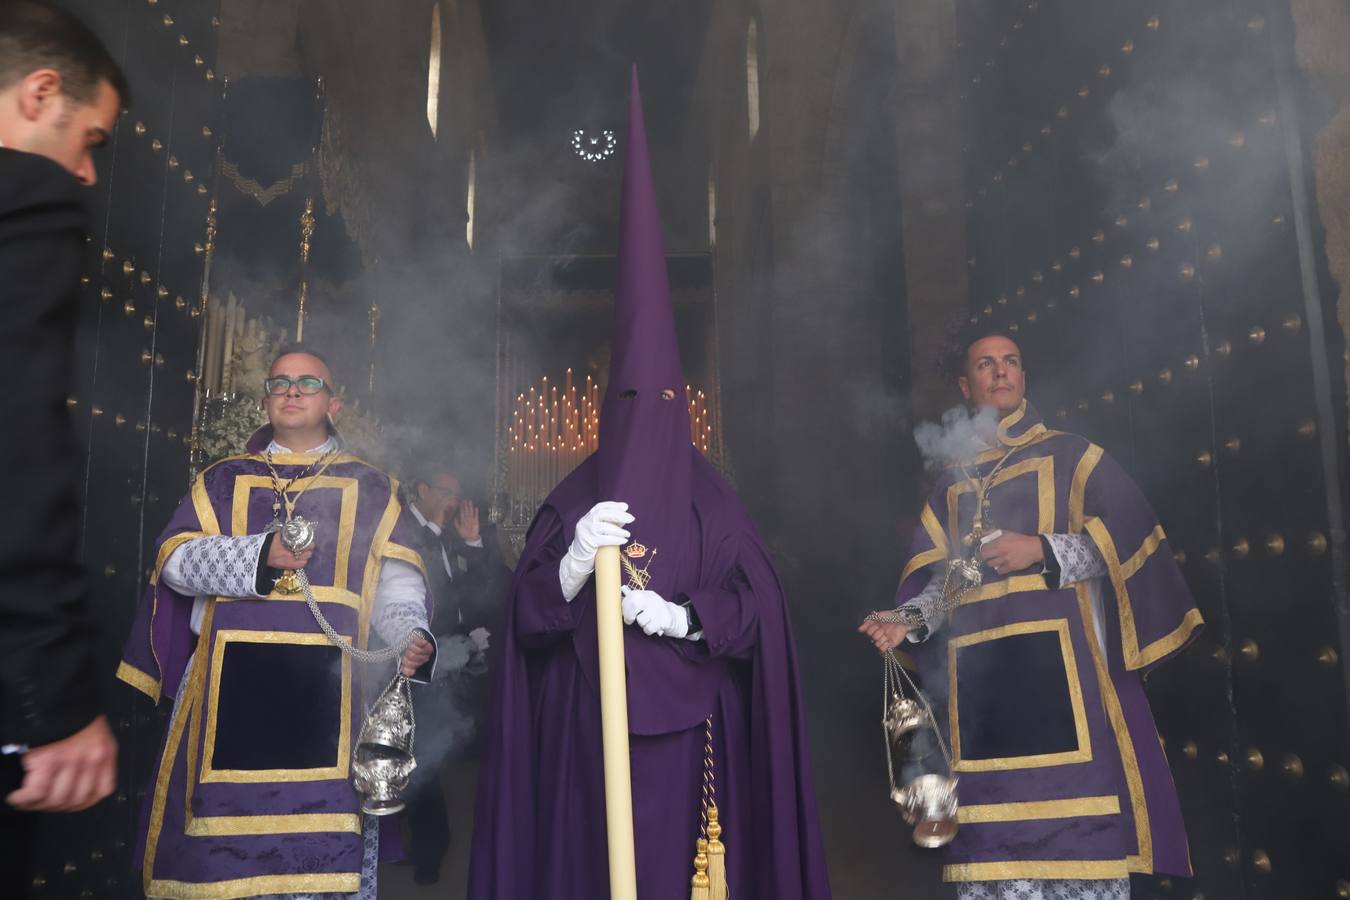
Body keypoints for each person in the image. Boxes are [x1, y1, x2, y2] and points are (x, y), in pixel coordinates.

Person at [468, 69, 831, 900]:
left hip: (698, 743)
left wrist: (685, 617)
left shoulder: (716, 502)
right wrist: (565, 570)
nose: (646, 416)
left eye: (661, 400)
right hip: (582, 736)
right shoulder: (569, 498)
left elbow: (764, 609)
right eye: (628, 401)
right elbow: (522, 615)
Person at [860, 322, 1202, 900]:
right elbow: (948, 583)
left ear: (1024, 375)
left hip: (1065, 689)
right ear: (966, 387)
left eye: (1011, 361)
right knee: (990, 853)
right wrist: (908, 620)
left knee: (1081, 845)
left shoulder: (1075, 456)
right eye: (986, 364)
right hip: (983, 701)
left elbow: (1127, 545)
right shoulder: (951, 482)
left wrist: (1039, 549)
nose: (1001, 371)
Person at [117, 346, 437, 900]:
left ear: (333, 402)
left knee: (320, 855)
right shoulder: (222, 480)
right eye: (280, 382)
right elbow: (173, 562)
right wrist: (256, 557)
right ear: (266, 399)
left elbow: (396, 584)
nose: (292, 390)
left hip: (328, 700)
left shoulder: (372, 487)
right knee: (216, 859)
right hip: (224, 697)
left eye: (308, 382)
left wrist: (410, 633)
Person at [0, 2, 127, 894]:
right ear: (39, 92)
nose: (84, 173)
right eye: (89, 139)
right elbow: (13, 439)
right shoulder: (24, 202)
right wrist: (55, 702)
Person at [401, 468, 503, 884]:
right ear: (422, 489)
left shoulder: (449, 534)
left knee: (443, 743)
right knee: (419, 750)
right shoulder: (402, 530)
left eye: (456, 494)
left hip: (456, 655)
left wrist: (474, 541)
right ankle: (430, 851)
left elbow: (487, 586)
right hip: (416, 656)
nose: (452, 502)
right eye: (446, 492)